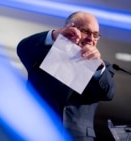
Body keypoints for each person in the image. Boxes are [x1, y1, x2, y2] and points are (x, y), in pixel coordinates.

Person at [17, 11, 116, 141]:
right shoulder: (44, 54)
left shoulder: (102, 67)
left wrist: (97, 66)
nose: (91, 39)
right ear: (71, 28)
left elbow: (108, 94)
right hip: (38, 131)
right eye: (86, 31)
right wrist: (55, 35)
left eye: (96, 35)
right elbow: (23, 47)